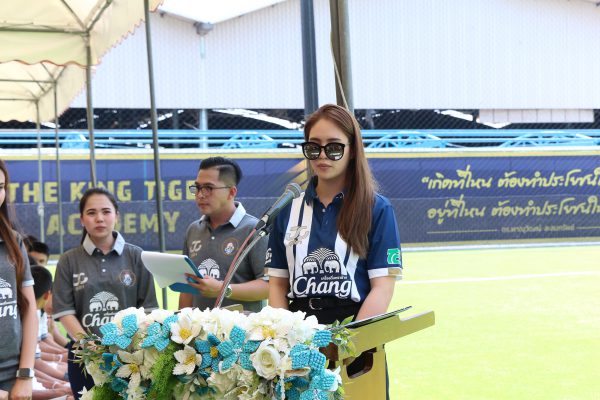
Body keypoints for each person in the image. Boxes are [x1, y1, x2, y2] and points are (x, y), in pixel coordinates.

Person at [266, 105, 403, 397]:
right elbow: (277, 284)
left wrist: (347, 344)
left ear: (353, 151)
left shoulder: (376, 208)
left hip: (356, 335)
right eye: (313, 147)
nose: (323, 155)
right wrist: (286, 338)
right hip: (298, 337)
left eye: (334, 147)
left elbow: (382, 288)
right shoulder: (286, 210)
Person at [52, 188, 159, 400]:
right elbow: (65, 312)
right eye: (91, 213)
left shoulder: (136, 255)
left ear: (117, 216)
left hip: (131, 358)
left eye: (106, 211)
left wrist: (131, 346)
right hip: (84, 359)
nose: (99, 218)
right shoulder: (68, 260)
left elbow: (148, 309)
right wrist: (89, 345)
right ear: (81, 219)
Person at [179, 157, 268, 312]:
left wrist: (223, 289)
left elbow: (269, 286)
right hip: (199, 326)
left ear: (231, 192)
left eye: (208, 188)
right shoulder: (193, 229)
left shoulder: (255, 230)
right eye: (197, 188)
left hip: (242, 326)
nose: (200, 195)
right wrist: (181, 320)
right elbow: (187, 286)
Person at [0, 159, 38, 399]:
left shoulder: (14, 241)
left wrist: (25, 375)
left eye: (0, 187)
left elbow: (29, 308)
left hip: (14, 376)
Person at [30, 264, 72, 400]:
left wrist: (57, 385)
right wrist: (60, 386)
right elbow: (33, 363)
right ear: (48, 294)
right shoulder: (29, 315)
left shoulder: (35, 312)